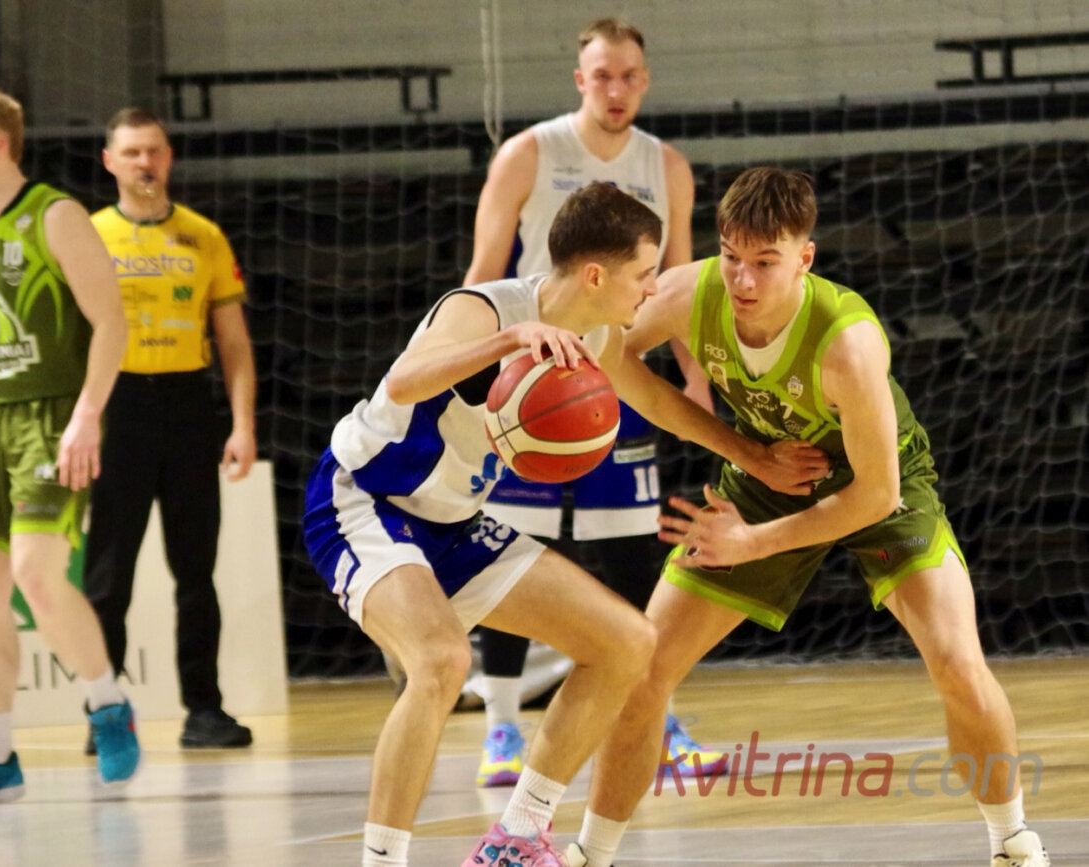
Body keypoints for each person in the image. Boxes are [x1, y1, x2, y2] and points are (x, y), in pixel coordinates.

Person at [302, 181, 828, 867]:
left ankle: (517, 838)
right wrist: (510, 340)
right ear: (596, 275)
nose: (652, 289)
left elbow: (656, 401)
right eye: (644, 273)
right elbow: (404, 381)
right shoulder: (482, 308)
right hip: (365, 501)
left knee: (627, 642)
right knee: (442, 660)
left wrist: (752, 456)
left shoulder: (598, 334)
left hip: (453, 523)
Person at [574, 167, 1049, 867]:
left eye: (765, 262)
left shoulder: (847, 343)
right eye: (732, 256)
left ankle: (1011, 841)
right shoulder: (687, 293)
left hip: (875, 483)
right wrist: (744, 453)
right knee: (643, 669)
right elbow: (606, 353)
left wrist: (750, 542)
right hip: (769, 473)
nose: (743, 279)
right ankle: (590, 853)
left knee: (956, 661)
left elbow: (876, 496)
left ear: (805, 257)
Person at [463, 16, 724, 789]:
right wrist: (478, 376)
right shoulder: (528, 153)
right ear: (581, 80)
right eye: (602, 75)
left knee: (632, 551)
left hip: (619, 368)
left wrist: (697, 378)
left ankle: (657, 718)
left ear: (646, 81)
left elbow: (675, 287)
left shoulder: (666, 166)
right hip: (533, 375)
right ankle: (501, 724)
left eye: (629, 75)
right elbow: (482, 273)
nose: (617, 88)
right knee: (513, 549)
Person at [0, 83, 139, 807]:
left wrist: (87, 415)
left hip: (49, 414)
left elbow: (111, 322)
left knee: (35, 574)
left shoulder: (55, 215)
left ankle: (107, 703)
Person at [81, 107, 257, 751]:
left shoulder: (203, 236)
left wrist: (242, 424)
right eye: (131, 152)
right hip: (116, 407)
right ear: (110, 162)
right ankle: (105, 715)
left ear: (170, 156)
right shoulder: (89, 235)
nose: (144, 163)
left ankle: (204, 710)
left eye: (153, 150)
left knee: (195, 571)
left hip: (188, 407)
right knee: (108, 575)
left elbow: (233, 342)